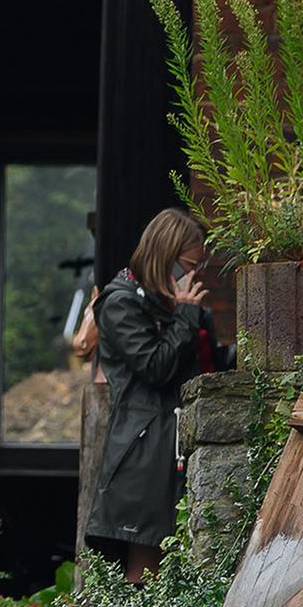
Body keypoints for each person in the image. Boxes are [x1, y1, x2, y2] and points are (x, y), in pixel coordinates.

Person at [82, 206, 224, 580]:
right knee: (147, 561)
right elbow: (154, 368)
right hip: (145, 447)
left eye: (199, 266)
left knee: (185, 556)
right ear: (166, 256)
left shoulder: (174, 306)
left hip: (180, 440)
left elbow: (210, 365)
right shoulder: (121, 303)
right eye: (188, 265)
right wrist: (188, 316)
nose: (193, 275)